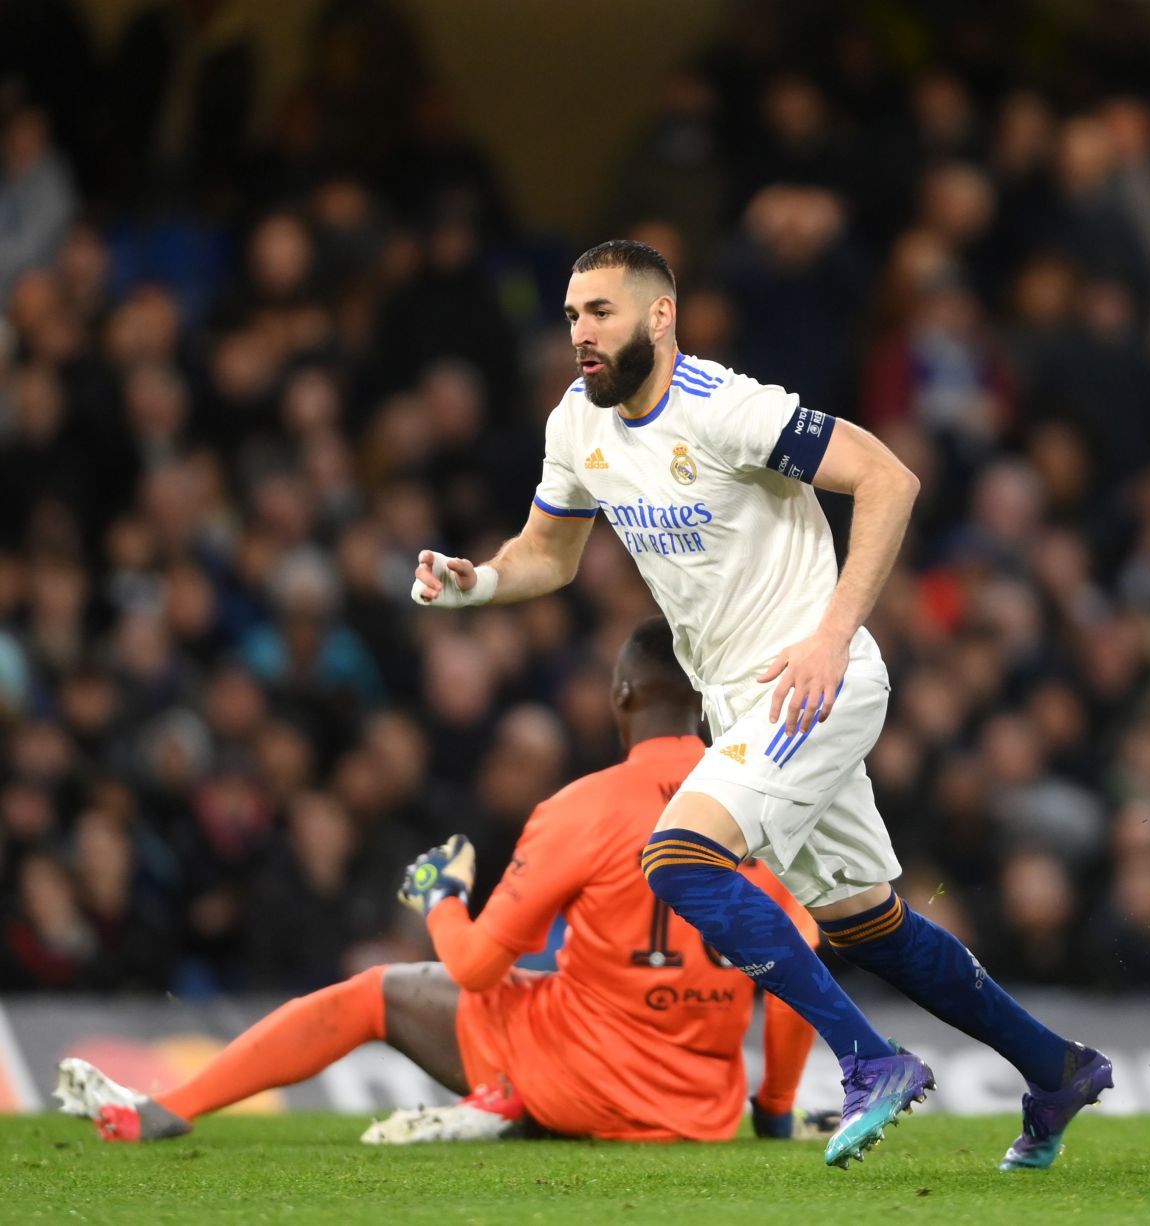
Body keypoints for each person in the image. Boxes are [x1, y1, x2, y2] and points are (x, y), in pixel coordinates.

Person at [409, 239, 1110, 1170]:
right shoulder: (576, 422)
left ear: (660, 316)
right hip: (739, 705)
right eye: (573, 314)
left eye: (601, 312)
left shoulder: (728, 409)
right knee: (870, 923)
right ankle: (1054, 1067)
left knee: (677, 857)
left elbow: (889, 479)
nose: (579, 332)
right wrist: (477, 583)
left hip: (813, 679)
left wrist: (831, 634)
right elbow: (551, 553)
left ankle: (869, 1061)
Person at [54, 618, 828, 1146]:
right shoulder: (761, 805)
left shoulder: (581, 807)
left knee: (375, 993)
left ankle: (167, 1110)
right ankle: (504, 1106)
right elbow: (800, 970)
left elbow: (473, 967)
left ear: (621, 696)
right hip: (701, 1110)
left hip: (580, 1080)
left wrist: (441, 898)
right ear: (703, 705)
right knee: (544, 991)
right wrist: (776, 1109)